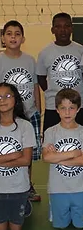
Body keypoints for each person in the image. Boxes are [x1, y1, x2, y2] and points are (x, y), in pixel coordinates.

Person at [0, 20, 41, 202]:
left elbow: (34, 86)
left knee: (28, 154)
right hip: (8, 115)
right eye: (9, 34)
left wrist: (38, 110)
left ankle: (27, 185)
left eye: (17, 34)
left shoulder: (30, 60)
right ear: (3, 38)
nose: (13, 37)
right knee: (8, 148)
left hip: (29, 113)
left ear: (23, 38)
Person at [42, 88, 83, 229]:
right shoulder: (50, 132)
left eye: (71, 108)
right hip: (58, 189)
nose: (67, 112)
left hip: (80, 188)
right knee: (61, 225)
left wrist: (57, 157)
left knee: (80, 225)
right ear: (56, 109)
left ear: (78, 109)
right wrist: (72, 153)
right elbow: (46, 157)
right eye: (63, 108)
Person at [36, 12, 83, 132]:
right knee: (51, 143)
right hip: (53, 106)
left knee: (81, 142)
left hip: (78, 105)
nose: (63, 30)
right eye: (58, 27)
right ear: (52, 30)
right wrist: (55, 92)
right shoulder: (45, 53)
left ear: (71, 28)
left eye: (66, 26)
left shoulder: (82, 50)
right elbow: (41, 78)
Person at [0, 82, 36, 230]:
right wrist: (15, 155)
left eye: (7, 95)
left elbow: (26, 160)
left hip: (19, 189)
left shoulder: (25, 126)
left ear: (16, 100)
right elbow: (20, 157)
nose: (2, 99)